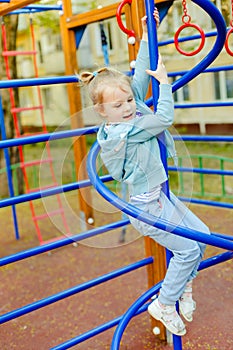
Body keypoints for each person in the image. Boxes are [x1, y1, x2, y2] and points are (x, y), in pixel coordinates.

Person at [80, 10, 210, 337]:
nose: (127, 106)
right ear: (101, 112)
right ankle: (164, 303)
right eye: (118, 105)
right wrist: (165, 84)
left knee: (203, 236)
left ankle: (183, 289)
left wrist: (147, 32)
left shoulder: (128, 108)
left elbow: (138, 80)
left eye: (127, 100)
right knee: (187, 249)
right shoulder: (129, 129)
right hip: (146, 208)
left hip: (159, 196)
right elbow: (164, 118)